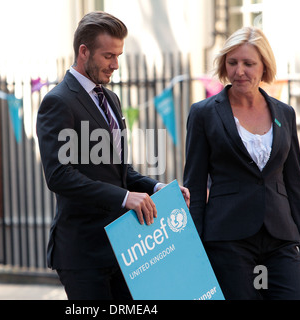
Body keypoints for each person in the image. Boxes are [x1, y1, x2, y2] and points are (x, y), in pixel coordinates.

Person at [37, 11, 189, 300]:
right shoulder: (57, 102)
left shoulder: (111, 98)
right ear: (84, 52)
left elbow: (118, 171)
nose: (116, 65)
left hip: (124, 246)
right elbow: (59, 175)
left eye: (118, 56)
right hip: (83, 251)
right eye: (108, 56)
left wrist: (157, 189)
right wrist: (123, 197)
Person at [183, 27, 300, 300]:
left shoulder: (285, 113)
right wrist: (194, 251)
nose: (239, 71)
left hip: (281, 238)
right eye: (232, 63)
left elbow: (295, 185)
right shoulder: (203, 114)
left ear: (264, 66)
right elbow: (194, 187)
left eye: (248, 63)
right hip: (227, 239)